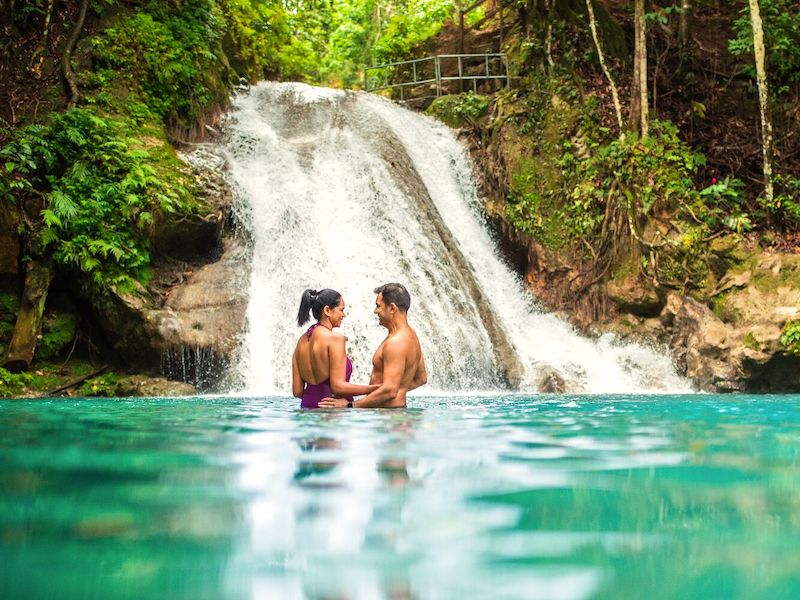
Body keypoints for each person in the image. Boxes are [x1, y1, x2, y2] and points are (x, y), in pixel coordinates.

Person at [320, 283, 427, 409]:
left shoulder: (396, 342)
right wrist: (399, 391)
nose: (375, 311)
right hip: (396, 412)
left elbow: (389, 390)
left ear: (392, 308)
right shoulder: (411, 336)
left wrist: (351, 405)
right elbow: (421, 378)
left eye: (378, 306)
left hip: (388, 415)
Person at [292, 288, 378, 409]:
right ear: (327, 310)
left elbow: (297, 391)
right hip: (331, 412)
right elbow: (338, 387)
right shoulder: (335, 339)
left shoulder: (301, 341)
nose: (344, 314)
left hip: (306, 408)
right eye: (341, 310)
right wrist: (377, 389)